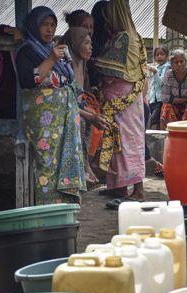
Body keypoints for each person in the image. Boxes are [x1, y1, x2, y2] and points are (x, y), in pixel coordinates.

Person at [15, 6, 87, 205]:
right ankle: (47, 212)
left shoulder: (52, 49)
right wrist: (52, 58)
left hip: (63, 119)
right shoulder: (27, 51)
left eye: (53, 25)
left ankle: (64, 208)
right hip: (44, 120)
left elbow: (67, 81)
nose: (49, 29)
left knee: (64, 161)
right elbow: (29, 80)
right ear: (34, 26)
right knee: (48, 164)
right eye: (44, 25)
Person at [94, 0, 147, 201]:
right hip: (129, 98)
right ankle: (119, 187)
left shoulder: (123, 38)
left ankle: (138, 190)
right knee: (121, 142)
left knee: (126, 143)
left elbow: (106, 68)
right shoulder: (135, 36)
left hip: (121, 98)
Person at [62, 26, 107, 187]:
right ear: (74, 44)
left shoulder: (81, 64)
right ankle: (82, 169)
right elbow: (67, 101)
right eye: (86, 43)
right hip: (63, 110)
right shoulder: (65, 66)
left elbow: (80, 98)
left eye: (91, 43)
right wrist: (88, 115)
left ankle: (87, 164)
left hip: (75, 107)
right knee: (81, 122)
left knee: (99, 118)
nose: (91, 47)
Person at [146, 46, 170, 130]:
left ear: (167, 56)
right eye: (157, 55)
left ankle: (153, 140)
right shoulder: (156, 67)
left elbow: (161, 83)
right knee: (154, 121)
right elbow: (153, 85)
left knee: (153, 120)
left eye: (162, 54)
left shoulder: (167, 67)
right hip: (153, 100)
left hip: (160, 100)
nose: (159, 56)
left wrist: (155, 72)